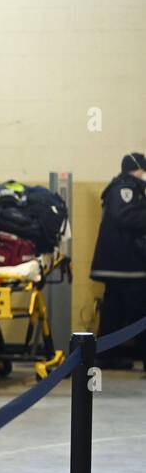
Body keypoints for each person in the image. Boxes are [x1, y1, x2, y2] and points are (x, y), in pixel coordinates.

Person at [90, 152, 146, 369]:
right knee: (139, 312)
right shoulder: (126, 188)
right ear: (138, 169)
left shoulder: (124, 186)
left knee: (114, 311)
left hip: (117, 265)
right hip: (126, 264)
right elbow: (125, 216)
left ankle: (106, 355)